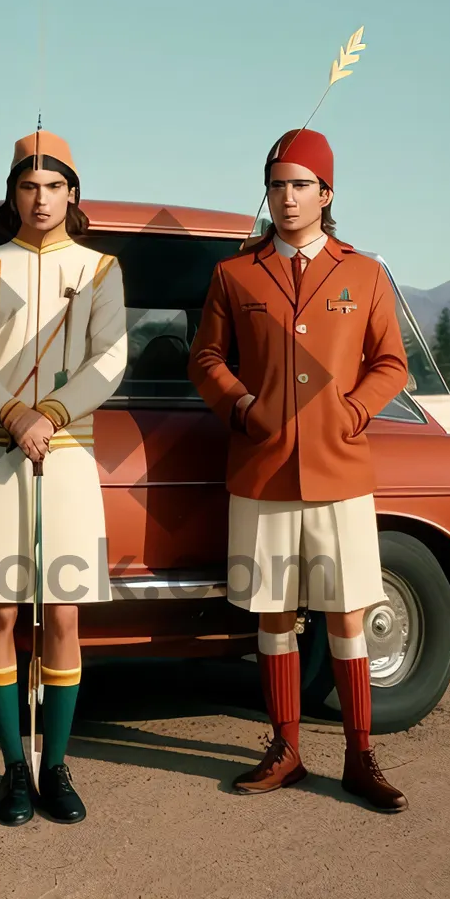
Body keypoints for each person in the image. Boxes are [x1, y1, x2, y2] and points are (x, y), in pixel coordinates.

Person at [188, 129, 411, 812]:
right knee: (273, 615)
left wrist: (351, 412)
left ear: (327, 194)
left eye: (300, 185)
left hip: (341, 470)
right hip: (262, 470)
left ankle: (360, 756)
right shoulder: (236, 273)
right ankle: (285, 750)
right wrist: (245, 406)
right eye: (277, 184)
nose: (286, 197)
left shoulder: (365, 273)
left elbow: (390, 364)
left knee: (348, 615)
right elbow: (206, 361)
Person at [0, 129, 128, 826]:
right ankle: (12, 769)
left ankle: (55, 765)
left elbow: (108, 363)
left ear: (72, 193)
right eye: (29, 186)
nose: (41, 198)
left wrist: (49, 414)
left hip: (69, 454)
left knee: (63, 614)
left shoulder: (102, 268)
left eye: (54, 187)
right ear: (13, 193)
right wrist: (17, 413)